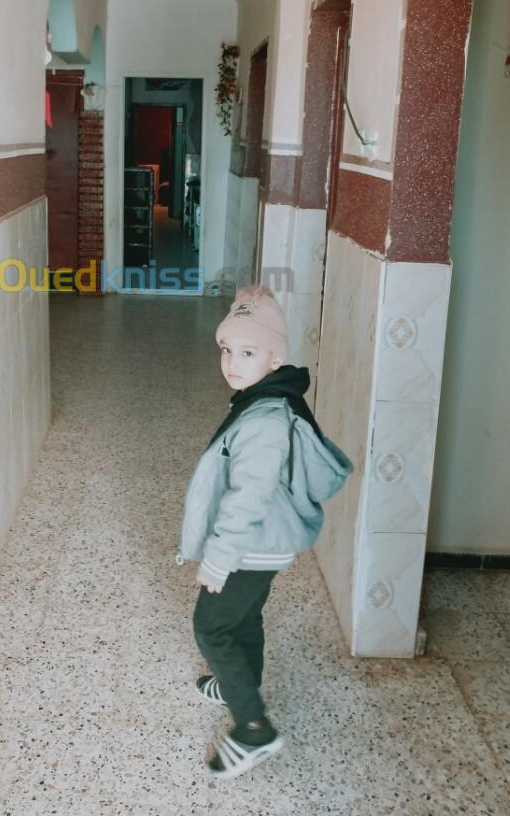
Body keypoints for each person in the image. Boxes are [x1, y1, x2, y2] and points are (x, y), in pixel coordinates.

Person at [176, 285, 353, 780]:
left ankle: (253, 729)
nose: (232, 363)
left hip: (250, 546)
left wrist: (218, 559)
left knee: (211, 627)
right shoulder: (266, 400)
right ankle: (240, 683)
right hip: (265, 543)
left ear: (276, 358)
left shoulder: (265, 421)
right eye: (226, 350)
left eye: (248, 352)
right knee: (245, 617)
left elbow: (247, 498)